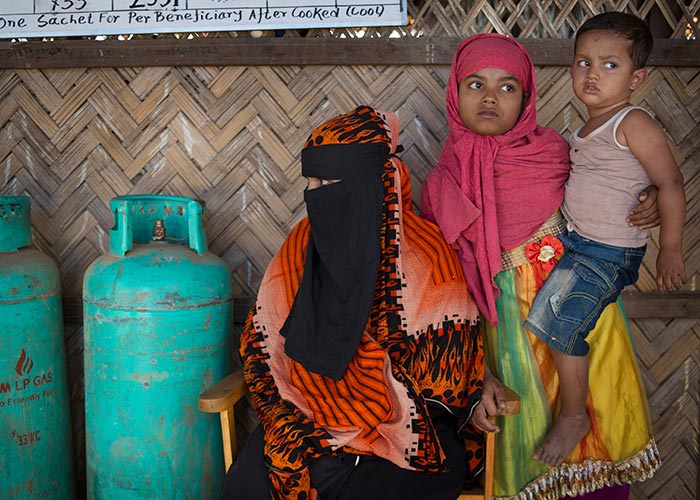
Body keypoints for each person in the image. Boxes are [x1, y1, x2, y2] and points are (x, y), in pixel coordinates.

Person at [421, 33, 660, 499]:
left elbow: (613, 185)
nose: (490, 97)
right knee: (527, 452)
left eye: (508, 86)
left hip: (581, 316)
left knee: (599, 435)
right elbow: (444, 287)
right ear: (454, 92)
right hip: (502, 334)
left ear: (527, 97)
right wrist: (477, 371)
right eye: (475, 84)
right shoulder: (441, 183)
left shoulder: (556, 153)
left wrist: (647, 198)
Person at [222, 105, 485, 500]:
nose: (312, 194)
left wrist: (360, 418)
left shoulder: (426, 257)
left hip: (406, 430)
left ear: (367, 184)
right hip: (307, 416)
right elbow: (264, 343)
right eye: (309, 181)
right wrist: (321, 420)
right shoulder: (301, 245)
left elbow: (444, 381)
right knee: (252, 485)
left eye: (326, 182)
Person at [523, 11, 686, 467]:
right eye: (583, 62)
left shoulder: (633, 123)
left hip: (610, 252)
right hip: (580, 246)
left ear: (638, 78)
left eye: (610, 65)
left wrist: (671, 247)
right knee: (544, 317)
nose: (593, 73)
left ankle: (574, 415)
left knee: (560, 324)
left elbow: (670, 183)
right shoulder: (584, 130)